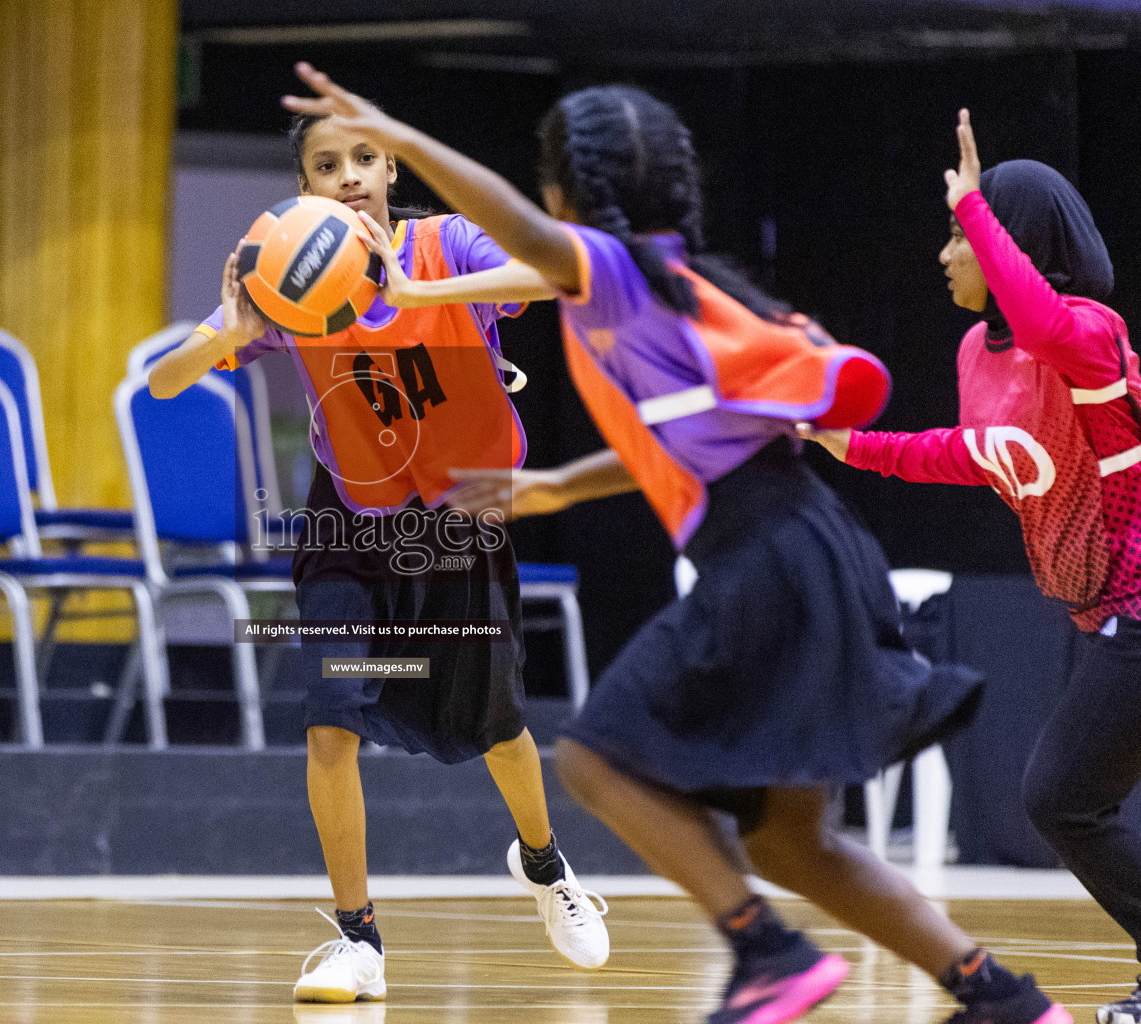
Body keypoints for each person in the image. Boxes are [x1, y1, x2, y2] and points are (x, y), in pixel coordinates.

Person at [283, 65, 1070, 1024]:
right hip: (821, 544)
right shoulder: (673, 280)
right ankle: (1003, 997)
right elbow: (683, 439)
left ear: (571, 192)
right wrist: (554, 487)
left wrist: (401, 139)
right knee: (792, 844)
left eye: (546, 181)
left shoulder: (614, 270)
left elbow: (532, 241)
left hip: (766, 553)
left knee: (596, 761)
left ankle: (766, 953)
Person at [148, 107, 610, 1004]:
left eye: (365, 158)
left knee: (498, 728)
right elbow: (165, 380)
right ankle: (359, 940)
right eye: (328, 165)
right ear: (304, 189)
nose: (350, 175)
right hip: (350, 529)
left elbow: (565, 275)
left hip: (460, 518)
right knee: (332, 720)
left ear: (392, 169)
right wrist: (229, 333)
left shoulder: (450, 246)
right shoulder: (285, 278)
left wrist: (419, 293)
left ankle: (547, 867)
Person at [805, 110, 1141, 1024]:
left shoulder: (1089, 334)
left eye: (959, 232)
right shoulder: (974, 353)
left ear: (1012, 245)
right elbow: (974, 452)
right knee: (1073, 799)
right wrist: (853, 447)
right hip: (1104, 613)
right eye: (958, 230)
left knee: (1062, 798)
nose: (945, 252)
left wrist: (977, 207)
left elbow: (1041, 321)